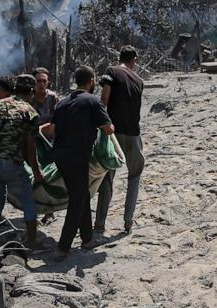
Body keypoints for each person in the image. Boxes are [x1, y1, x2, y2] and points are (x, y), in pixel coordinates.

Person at [49, 65, 114, 253]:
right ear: (92, 81)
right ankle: (63, 247)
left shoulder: (61, 103)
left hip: (60, 157)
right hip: (77, 157)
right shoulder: (93, 101)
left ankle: (87, 239)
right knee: (77, 200)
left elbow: (52, 131)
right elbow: (108, 129)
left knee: (82, 194)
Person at [0, 74, 44, 249]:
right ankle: (32, 241)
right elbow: (30, 148)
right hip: (12, 163)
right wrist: (36, 172)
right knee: (28, 200)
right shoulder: (30, 112)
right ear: (31, 92)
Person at [97, 46, 146, 235]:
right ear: (134, 59)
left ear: (120, 58)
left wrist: (99, 124)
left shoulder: (112, 71)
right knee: (134, 176)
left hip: (113, 132)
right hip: (133, 133)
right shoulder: (139, 81)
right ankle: (128, 221)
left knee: (107, 177)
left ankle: (100, 224)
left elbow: (104, 100)